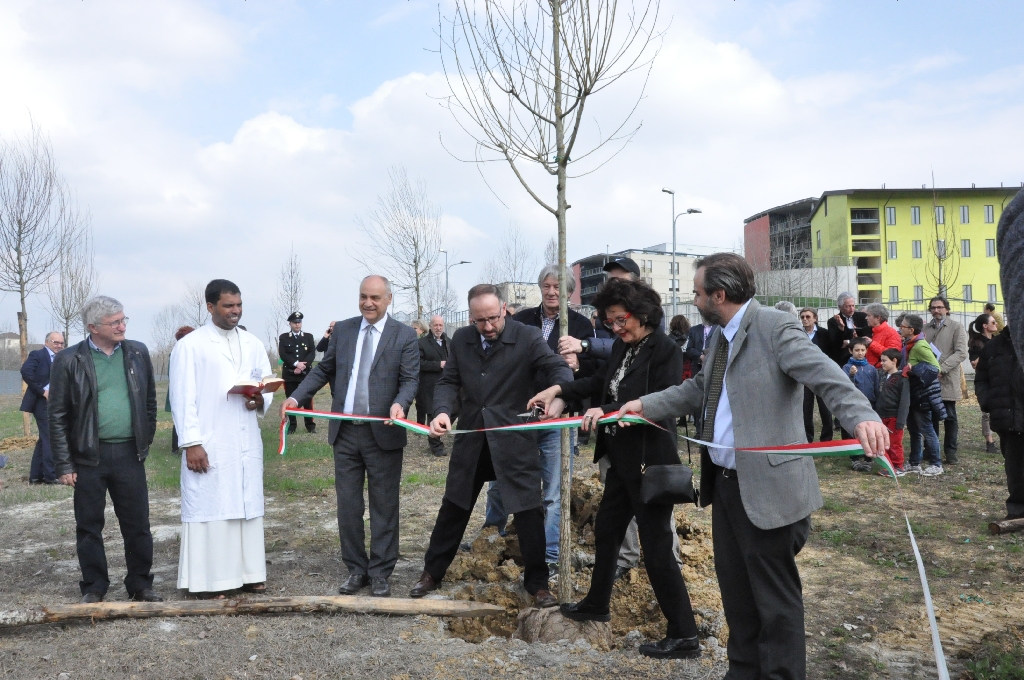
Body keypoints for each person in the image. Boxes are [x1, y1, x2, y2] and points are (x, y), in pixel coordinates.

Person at [616, 253, 886, 679]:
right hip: (725, 486)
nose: (694, 297)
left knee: (775, 604)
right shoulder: (718, 336)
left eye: (698, 291)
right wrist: (643, 405)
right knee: (737, 595)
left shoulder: (775, 327)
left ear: (718, 295)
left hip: (768, 488)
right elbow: (696, 389)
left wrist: (862, 415)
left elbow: (825, 375)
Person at [529, 278, 699, 660]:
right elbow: (601, 383)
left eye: (621, 320)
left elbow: (656, 401)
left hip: (648, 461)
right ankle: (597, 603)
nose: (616, 328)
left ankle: (685, 633)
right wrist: (559, 391)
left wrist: (603, 412)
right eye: (610, 323)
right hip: (621, 462)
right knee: (607, 531)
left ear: (642, 315)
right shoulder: (625, 346)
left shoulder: (665, 349)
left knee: (656, 549)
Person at [409, 284, 572, 608]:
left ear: (504, 310)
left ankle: (538, 584)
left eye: (493, 318)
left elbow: (559, 368)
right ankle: (431, 573)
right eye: (480, 321)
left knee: (527, 510)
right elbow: (449, 382)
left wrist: (558, 393)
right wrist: (442, 411)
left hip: (513, 441)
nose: (488, 326)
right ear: (471, 318)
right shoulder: (462, 341)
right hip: (472, 438)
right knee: (454, 506)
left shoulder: (526, 337)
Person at [282, 275, 419, 598]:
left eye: (374, 297)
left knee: (384, 506)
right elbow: (322, 370)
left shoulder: (404, 336)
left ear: (388, 300)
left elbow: (410, 380)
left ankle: (381, 572)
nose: (368, 303)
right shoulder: (343, 330)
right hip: (345, 434)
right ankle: (356, 569)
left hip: (383, 434)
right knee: (348, 506)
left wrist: (400, 404)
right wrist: (296, 397)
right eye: (363, 296)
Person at [481, 265, 595, 571]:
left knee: (554, 490)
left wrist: (575, 370)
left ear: (569, 290)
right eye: (546, 285)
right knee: (500, 479)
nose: (551, 291)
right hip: (520, 414)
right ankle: (491, 536)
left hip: (558, 417)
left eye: (558, 286)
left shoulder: (581, 325)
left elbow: (593, 373)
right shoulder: (521, 320)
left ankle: (550, 554)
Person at [49, 296, 161, 604]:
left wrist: (144, 439)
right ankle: (94, 587)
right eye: (115, 322)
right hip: (88, 457)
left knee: (138, 524)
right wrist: (64, 463)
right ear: (93, 328)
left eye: (124, 320)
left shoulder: (138, 352)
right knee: (89, 526)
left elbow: (150, 403)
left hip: (128, 455)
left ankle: (140, 583)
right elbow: (56, 414)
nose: (122, 326)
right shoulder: (69, 360)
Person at [170, 280, 275, 598]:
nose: (235, 311)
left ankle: (249, 572)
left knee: (245, 503)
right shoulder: (191, 345)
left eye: (239, 305)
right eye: (229, 306)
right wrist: (191, 443)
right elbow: (181, 397)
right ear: (211, 306)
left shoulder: (252, 343)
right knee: (213, 504)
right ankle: (211, 580)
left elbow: (265, 380)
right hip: (210, 439)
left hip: (244, 436)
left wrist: (259, 400)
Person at [974, 327, 1024, 520]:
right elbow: (981, 378)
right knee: (1015, 468)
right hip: (1007, 416)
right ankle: (1017, 511)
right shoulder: (994, 346)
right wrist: (988, 402)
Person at [557, 257, 639, 362]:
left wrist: (585, 345)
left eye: (621, 282)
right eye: (612, 281)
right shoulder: (602, 312)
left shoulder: (646, 311)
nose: (615, 286)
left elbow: (626, 346)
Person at [898, 313, 946, 476]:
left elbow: (935, 368)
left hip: (922, 395)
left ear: (911, 330)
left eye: (902, 326)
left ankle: (936, 463)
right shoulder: (909, 344)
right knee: (914, 430)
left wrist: (913, 370)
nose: (900, 328)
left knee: (926, 429)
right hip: (912, 394)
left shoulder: (919, 346)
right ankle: (914, 462)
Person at [923, 297, 969, 465]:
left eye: (940, 307)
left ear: (946, 309)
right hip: (929, 380)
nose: (936, 310)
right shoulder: (925, 329)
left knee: (949, 417)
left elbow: (961, 352)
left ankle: (950, 451)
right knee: (930, 416)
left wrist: (941, 368)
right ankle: (930, 450)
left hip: (947, 378)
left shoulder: (956, 327)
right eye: (933, 307)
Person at [21, 331, 64, 485]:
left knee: (43, 439)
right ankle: (51, 475)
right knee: (51, 437)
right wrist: (42, 390)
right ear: (47, 342)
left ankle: (35, 476)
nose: (59, 346)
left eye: (61, 343)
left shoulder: (61, 358)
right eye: (56, 342)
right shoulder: (37, 355)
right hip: (41, 402)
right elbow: (25, 371)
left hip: (55, 403)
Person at [417, 315, 451, 457]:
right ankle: (436, 446)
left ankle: (440, 434)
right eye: (435, 325)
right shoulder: (422, 343)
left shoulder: (449, 342)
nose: (438, 328)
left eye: (440, 325)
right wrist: (438, 365)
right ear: (430, 326)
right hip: (430, 386)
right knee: (432, 414)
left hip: (447, 385)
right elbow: (418, 363)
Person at [279, 312, 317, 434]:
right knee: (290, 400)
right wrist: (295, 364)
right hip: (290, 374)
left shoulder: (308, 337)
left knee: (307, 401)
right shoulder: (284, 337)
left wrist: (302, 366)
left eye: (299, 322)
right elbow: (283, 354)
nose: (297, 324)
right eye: (295, 322)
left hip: (305, 374)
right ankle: (292, 426)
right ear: (290, 324)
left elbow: (311, 353)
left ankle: (310, 426)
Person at [799, 308, 833, 443]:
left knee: (825, 408)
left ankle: (827, 439)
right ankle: (807, 438)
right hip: (804, 377)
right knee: (805, 409)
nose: (805, 319)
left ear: (815, 318)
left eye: (808, 316)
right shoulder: (798, 334)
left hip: (821, 375)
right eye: (802, 317)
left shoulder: (824, 334)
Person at [845, 337, 879, 472]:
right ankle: (855, 458)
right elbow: (846, 387)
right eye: (857, 350)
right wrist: (851, 376)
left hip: (870, 404)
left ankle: (868, 458)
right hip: (854, 405)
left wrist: (877, 403)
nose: (860, 353)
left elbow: (876, 388)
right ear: (850, 351)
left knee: (869, 432)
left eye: (863, 350)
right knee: (853, 431)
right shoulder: (847, 368)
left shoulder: (871, 369)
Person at [875, 348, 910, 476]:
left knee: (895, 443)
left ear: (894, 361)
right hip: (882, 416)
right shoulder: (882, 376)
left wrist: (901, 421)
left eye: (884, 360)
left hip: (894, 417)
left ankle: (898, 466)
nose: (881, 363)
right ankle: (889, 465)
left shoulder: (902, 378)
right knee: (885, 442)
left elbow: (904, 401)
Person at [970, 313, 1000, 453]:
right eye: (993, 322)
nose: (996, 324)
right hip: (985, 381)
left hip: (999, 379)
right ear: (985, 326)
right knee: (986, 413)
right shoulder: (977, 342)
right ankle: (990, 442)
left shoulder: (997, 341)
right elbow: (974, 363)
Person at [166, 326, 195, 452]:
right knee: (179, 418)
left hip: (185, 388)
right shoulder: (177, 352)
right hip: (179, 389)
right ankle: (176, 447)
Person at [826, 292, 871, 367]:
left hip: (862, 357)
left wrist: (849, 341)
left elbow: (867, 335)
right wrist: (842, 329)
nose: (852, 309)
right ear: (840, 307)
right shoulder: (833, 321)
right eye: (848, 306)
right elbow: (836, 342)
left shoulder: (863, 317)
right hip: (843, 359)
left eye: (853, 305)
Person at [864, 303, 902, 368]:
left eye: (868, 315)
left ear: (878, 318)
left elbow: (892, 355)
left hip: (881, 371)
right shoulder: (872, 331)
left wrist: (872, 344)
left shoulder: (891, 333)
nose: (866, 318)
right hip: (870, 369)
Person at [316, 320, 337, 395]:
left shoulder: (341, 338)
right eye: (330, 327)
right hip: (329, 368)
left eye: (333, 327)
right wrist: (325, 337)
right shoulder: (328, 339)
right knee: (333, 391)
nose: (331, 328)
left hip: (338, 368)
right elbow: (319, 348)